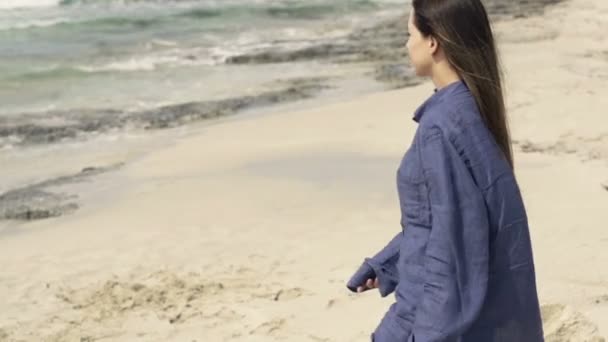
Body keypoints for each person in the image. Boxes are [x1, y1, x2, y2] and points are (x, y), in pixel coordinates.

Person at [346, 0, 544, 341]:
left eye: (410, 34)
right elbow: (447, 220)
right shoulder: (468, 109)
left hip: (434, 315)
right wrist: (389, 263)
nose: (407, 44)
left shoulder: (442, 127)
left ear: (433, 42)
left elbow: (452, 254)